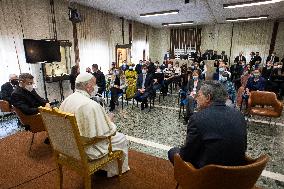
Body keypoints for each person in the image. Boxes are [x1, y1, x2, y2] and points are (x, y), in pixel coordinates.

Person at [60, 72, 129, 177]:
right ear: (88, 86)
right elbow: (108, 132)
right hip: (86, 150)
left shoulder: (67, 100)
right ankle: (112, 171)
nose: (96, 87)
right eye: (95, 84)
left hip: (68, 146)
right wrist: (109, 121)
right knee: (121, 138)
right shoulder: (91, 105)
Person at [168, 80, 247, 168]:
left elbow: (186, 156)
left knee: (172, 151)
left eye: (199, 95)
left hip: (208, 174)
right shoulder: (238, 114)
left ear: (208, 97)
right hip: (239, 172)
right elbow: (244, 147)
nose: (196, 98)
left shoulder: (197, 118)